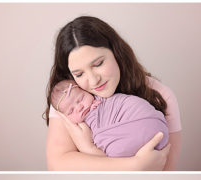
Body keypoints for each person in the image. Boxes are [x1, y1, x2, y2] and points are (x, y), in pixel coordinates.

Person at [44, 16, 181, 170]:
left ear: (116, 52)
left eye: (98, 64)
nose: (94, 80)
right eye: (79, 74)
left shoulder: (161, 95)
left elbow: (166, 168)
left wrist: (88, 151)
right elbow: (58, 165)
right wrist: (134, 165)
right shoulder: (68, 99)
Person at [51, 80, 169, 157]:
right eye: (71, 110)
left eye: (81, 98)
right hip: (157, 134)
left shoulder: (105, 102)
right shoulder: (77, 127)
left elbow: (100, 154)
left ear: (87, 91)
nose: (80, 107)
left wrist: (89, 147)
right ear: (66, 118)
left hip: (147, 121)